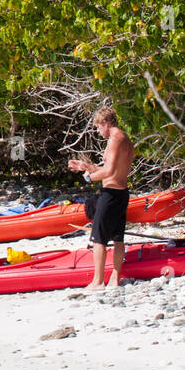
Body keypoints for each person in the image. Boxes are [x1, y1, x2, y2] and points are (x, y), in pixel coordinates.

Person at [67, 106, 135, 288]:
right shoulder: (125, 139)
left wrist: (90, 177)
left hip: (111, 194)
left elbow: (109, 171)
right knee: (118, 237)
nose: (98, 131)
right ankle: (115, 277)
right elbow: (113, 169)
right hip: (121, 193)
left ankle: (97, 281)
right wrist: (86, 166)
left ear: (105, 123)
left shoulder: (114, 140)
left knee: (98, 238)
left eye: (98, 127)